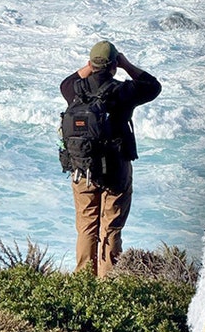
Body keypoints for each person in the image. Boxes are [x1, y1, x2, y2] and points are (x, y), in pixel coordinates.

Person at [60, 41, 161, 276]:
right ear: (114, 65)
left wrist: (88, 67)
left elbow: (64, 82)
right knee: (111, 227)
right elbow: (152, 86)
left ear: (91, 64)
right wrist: (126, 65)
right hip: (116, 171)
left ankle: (83, 280)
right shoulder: (123, 92)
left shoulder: (74, 91)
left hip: (82, 169)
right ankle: (108, 283)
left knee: (86, 227)